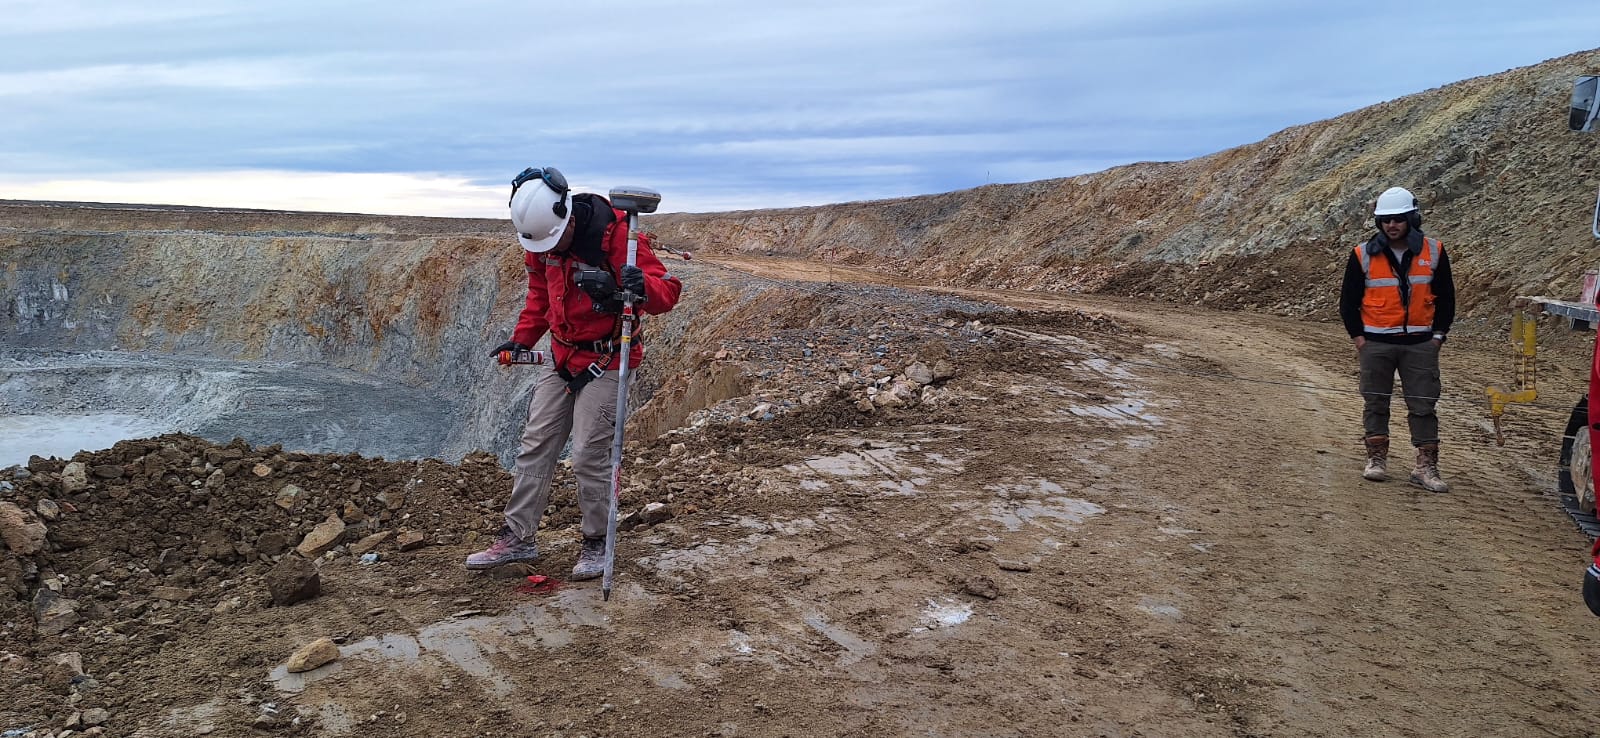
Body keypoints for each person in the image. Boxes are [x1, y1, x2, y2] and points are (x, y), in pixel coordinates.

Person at [466, 166, 683, 578]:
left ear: (565, 214)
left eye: (555, 239)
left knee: (587, 455)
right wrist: (523, 340)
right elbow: (540, 294)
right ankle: (518, 537)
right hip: (563, 357)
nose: (551, 248)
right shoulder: (539, 239)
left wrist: (640, 288)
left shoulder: (619, 236)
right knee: (537, 443)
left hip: (609, 359)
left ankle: (597, 541)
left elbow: (666, 292)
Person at [1339, 186, 1455, 492]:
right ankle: (1376, 459)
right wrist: (1359, 339)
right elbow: (1348, 302)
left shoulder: (1434, 251)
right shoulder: (1362, 254)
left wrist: (1438, 337)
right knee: (1375, 402)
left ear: (1412, 218)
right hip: (1375, 344)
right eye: (1386, 220)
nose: (1392, 225)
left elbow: (1447, 299)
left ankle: (1425, 466)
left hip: (1420, 344)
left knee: (1424, 405)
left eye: (1398, 219)